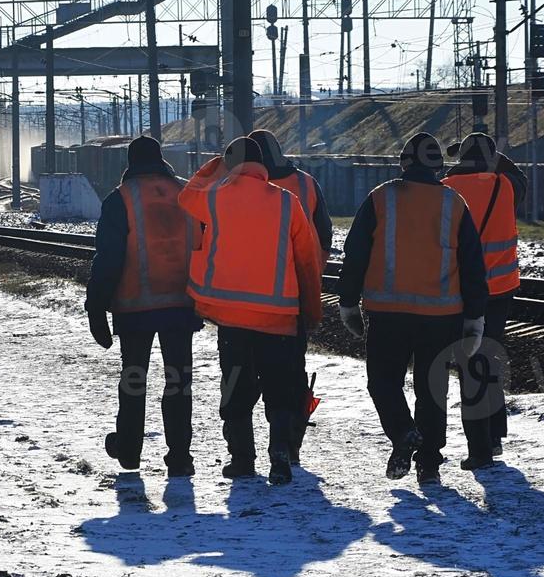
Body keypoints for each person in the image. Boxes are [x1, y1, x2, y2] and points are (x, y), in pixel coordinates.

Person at [336, 133, 490, 485]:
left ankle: (404, 432)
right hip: (441, 316)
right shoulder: (454, 203)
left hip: (388, 314)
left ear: (403, 163)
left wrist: (347, 302)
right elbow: (472, 266)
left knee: (383, 382)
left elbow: (355, 254)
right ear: (438, 167)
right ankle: (429, 461)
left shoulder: (381, 197)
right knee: (431, 387)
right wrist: (475, 316)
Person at [180, 137, 324, 485]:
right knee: (280, 388)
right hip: (279, 318)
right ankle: (280, 452)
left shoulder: (214, 198)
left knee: (236, 387)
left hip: (233, 317)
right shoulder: (288, 203)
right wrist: (312, 311)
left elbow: (186, 196)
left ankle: (242, 459)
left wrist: (217, 165)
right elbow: (307, 260)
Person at [85, 136, 200, 477]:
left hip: (134, 308)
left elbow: (108, 258)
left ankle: (130, 451)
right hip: (181, 305)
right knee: (178, 382)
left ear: (130, 162)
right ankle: (180, 457)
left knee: (134, 379)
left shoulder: (120, 198)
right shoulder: (187, 195)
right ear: (161, 159)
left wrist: (96, 307)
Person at [443, 133, 527, 464]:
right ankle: (494, 436)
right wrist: (497, 157)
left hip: (462, 289)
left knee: (471, 365)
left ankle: (483, 447)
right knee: (488, 360)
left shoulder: (447, 187)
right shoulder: (506, 185)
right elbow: (519, 176)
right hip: (502, 288)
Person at [249, 129, 332, 463]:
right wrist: (310, 279)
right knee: (290, 370)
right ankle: (288, 443)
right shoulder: (306, 184)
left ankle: (243, 456)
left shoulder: (238, 187)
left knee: (243, 373)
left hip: (244, 296)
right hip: (294, 296)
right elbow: (323, 237)